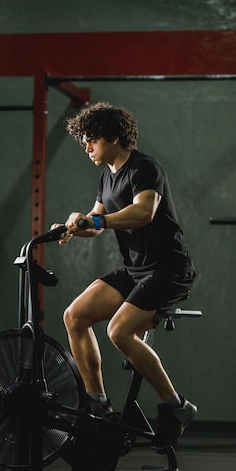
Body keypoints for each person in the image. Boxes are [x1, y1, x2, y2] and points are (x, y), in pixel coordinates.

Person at [53, 101, 197, 450]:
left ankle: (175, 407)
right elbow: (95, 224)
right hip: (135, 270)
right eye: (84, 142)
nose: (86, 147)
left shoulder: (144, 167)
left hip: (168, 269)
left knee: (118, 331)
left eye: (92, 140)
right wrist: (72, 226)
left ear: (114, 136)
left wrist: (97, 220)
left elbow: (144, 212)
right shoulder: (107, 177)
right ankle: (98, 407)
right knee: (75, 316)